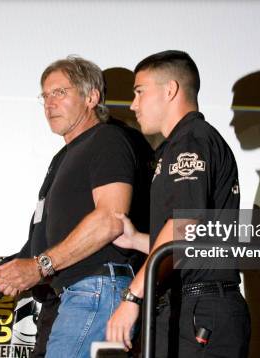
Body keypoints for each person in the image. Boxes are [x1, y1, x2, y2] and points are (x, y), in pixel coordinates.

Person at [0, 56, 152, 358]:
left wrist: (40, 266)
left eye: (60, 92)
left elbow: (111, 219)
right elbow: (41, 241)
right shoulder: (62, 158)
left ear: (91, 97)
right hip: (73, 293)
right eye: (45, 96)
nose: (49, 103)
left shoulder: (108, 139)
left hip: (97, 288)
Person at [106, 50, 250, 357]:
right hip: (191, 308)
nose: (133, 105)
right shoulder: (180, 144)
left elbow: (182, 230)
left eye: (139, 92)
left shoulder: (190, 143)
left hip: (200, 311)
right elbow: (191, 241)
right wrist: (136, 240)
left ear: (170, 90)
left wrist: (132, 298)